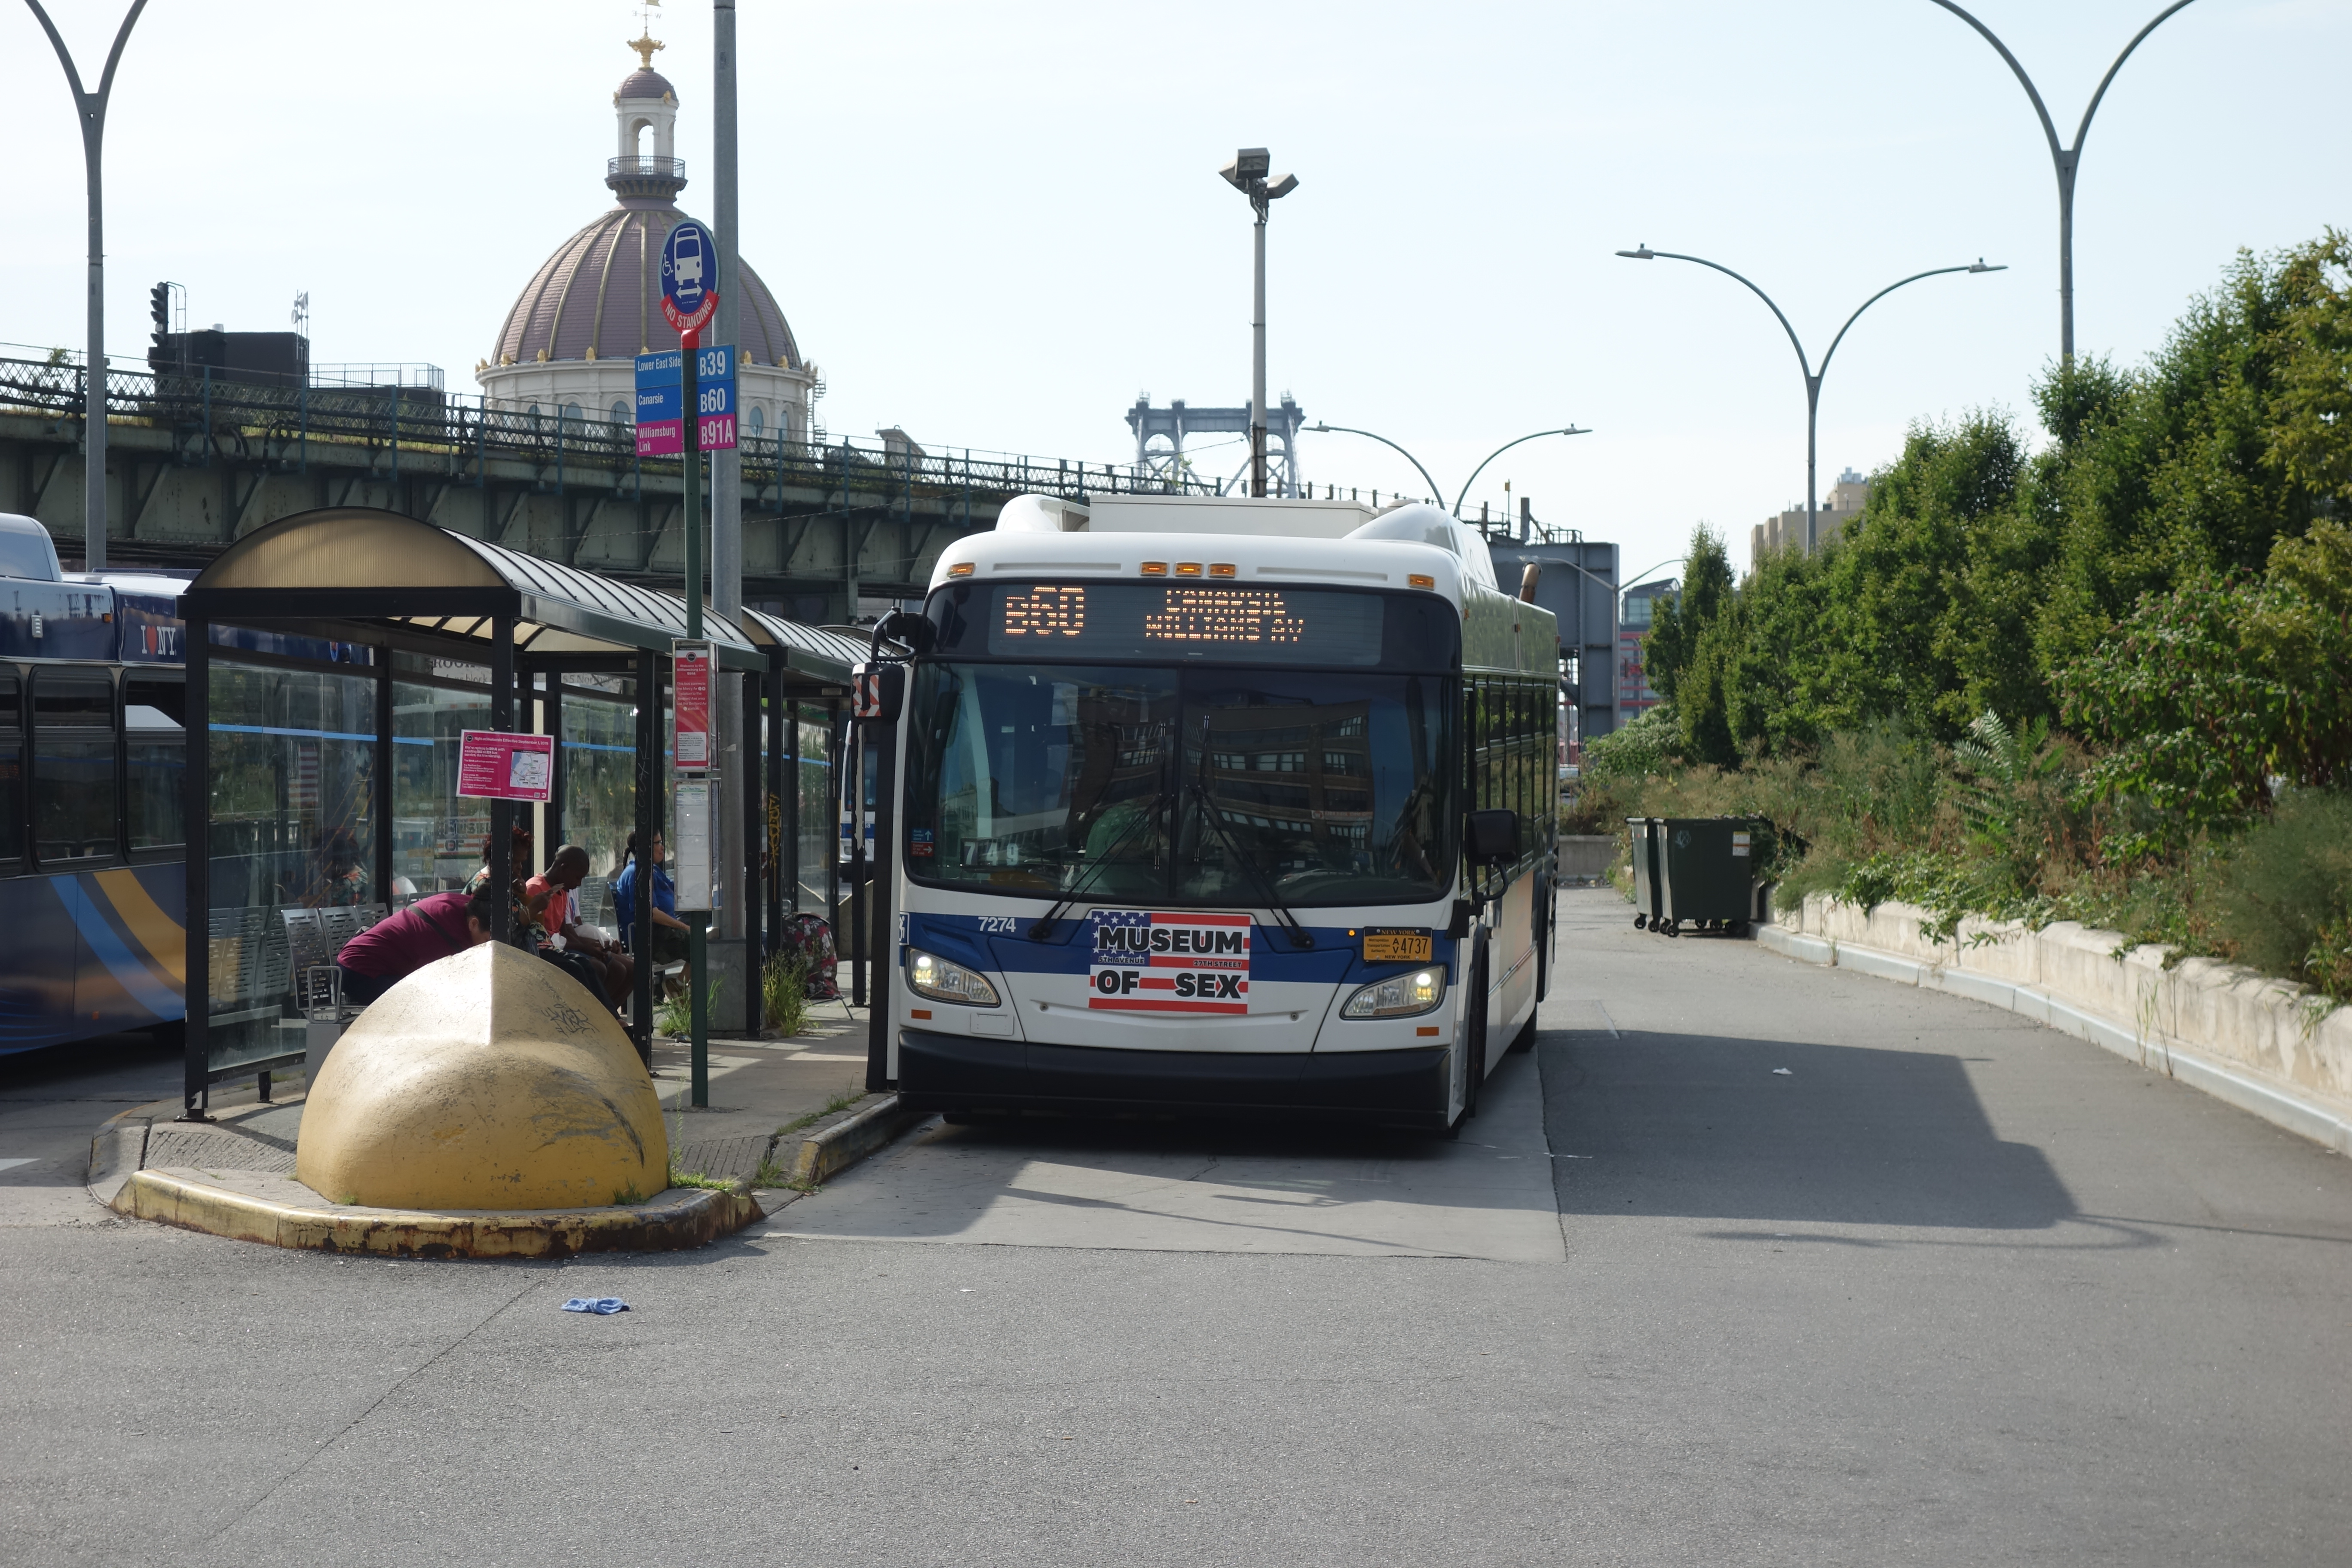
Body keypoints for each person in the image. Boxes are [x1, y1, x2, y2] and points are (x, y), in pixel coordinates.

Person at [333, 890, 498, 1005]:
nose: (488, 948)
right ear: (474, 924)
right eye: (487, 940)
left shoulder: (468, 906)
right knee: (417, 1008)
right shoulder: (444, 934)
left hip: (372, 963)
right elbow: (439, 985)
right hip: (359, 971)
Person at [528, 844, 634, 1014]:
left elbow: (565, 931)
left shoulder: (561, 891)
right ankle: (590, 1017)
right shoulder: (535, 889)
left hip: (561, 947)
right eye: (577, 878)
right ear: (563, 868)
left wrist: (591, 948)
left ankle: (605, 1019)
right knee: (598, 968)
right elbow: (542, 937)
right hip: (545, 952)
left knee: (620, 968)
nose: (578, 885)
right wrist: (585, 948)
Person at [612, 830, 691, 991]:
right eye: (658, 843)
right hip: (650, 940)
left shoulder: (652, 870)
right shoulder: (638, 874)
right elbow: (651, 914)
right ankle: (678, 987)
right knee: (703, 944)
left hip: (664, 933)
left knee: (708, 937)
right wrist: (686, 928)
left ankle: (681, 988)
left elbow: (675, 891)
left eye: (662, 842)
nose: (662, 848)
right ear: (645, 847)